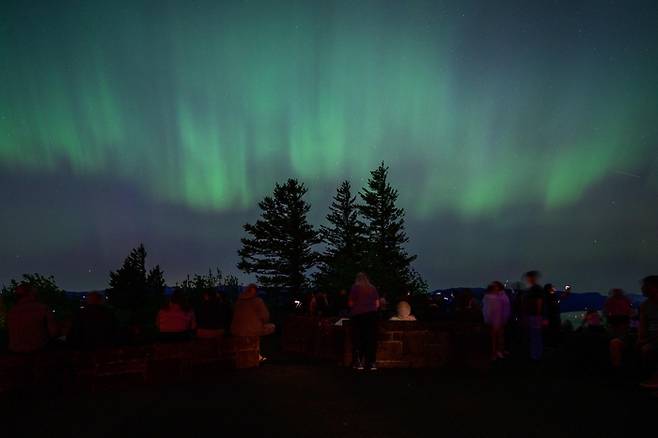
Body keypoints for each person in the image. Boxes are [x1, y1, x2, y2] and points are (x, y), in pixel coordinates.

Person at [7, 284, 59, 353]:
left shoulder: (11, 312)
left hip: (15, 352)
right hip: (39, 352)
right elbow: (54, 332)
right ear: (32, 293)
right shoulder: (43, 309)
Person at [231, 284, 275, 355]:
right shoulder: (258, 301)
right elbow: (265, 316)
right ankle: (261, 353)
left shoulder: (238, 302)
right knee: (271, 327)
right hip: (252, 330)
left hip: (237, 330)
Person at [348, 272, 380, 371]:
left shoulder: (355, 288)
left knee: (358, 338)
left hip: (358, 316)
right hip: (371, 316)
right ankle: (372, 362)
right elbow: (377, 304)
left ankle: (359, 362)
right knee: (371, 339)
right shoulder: (373, 288)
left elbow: (350, 303)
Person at [604, 288, 633, 368]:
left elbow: (606, 311)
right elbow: (606, 311)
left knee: (618, 338)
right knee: (618, 337)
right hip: (617, 320)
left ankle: (617, 359)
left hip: (619, 320)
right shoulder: (623, 300)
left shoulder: (613, 300)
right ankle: (618, 357)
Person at [638, 275, 658, 388]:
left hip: (654, 340)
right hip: (651, 338)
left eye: (645, 286)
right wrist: (640, 338)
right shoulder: (645, 305)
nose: (642, 289)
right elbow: (643, 326)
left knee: (647, 349)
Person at [482, 281, 511, 360]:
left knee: (499, 337)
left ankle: (499, 351)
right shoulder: (491, 297)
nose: (496, 288)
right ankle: (495, 353)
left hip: (499, 319)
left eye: (496, 286)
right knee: (494, 338)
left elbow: (504, 307)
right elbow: (488, 310)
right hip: (494, 320)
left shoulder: (499, 296)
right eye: (494, 287)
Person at [522, 271, 544, 361]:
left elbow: (539, 302)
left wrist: (539, 314)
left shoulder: (536, 289)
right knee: (534, 334)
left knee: (535, 335)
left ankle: (536, 355)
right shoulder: (532, 289)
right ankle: (535, 354)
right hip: (532, 315)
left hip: (535, 315)